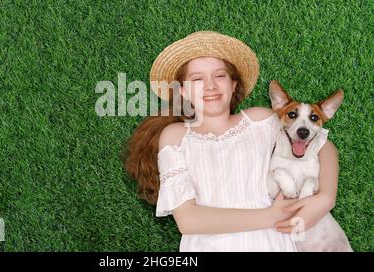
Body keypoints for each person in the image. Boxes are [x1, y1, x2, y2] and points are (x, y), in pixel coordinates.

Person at [124, 31, 340, 251]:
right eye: (197, 79)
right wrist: (269, 216)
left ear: (234, 84)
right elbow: (187, 220)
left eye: (219, 76)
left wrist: (326, 198)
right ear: (183, 92)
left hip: (269, 243)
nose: (210, 86)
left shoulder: (260, 120)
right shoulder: (176, 135)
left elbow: (323, 143)